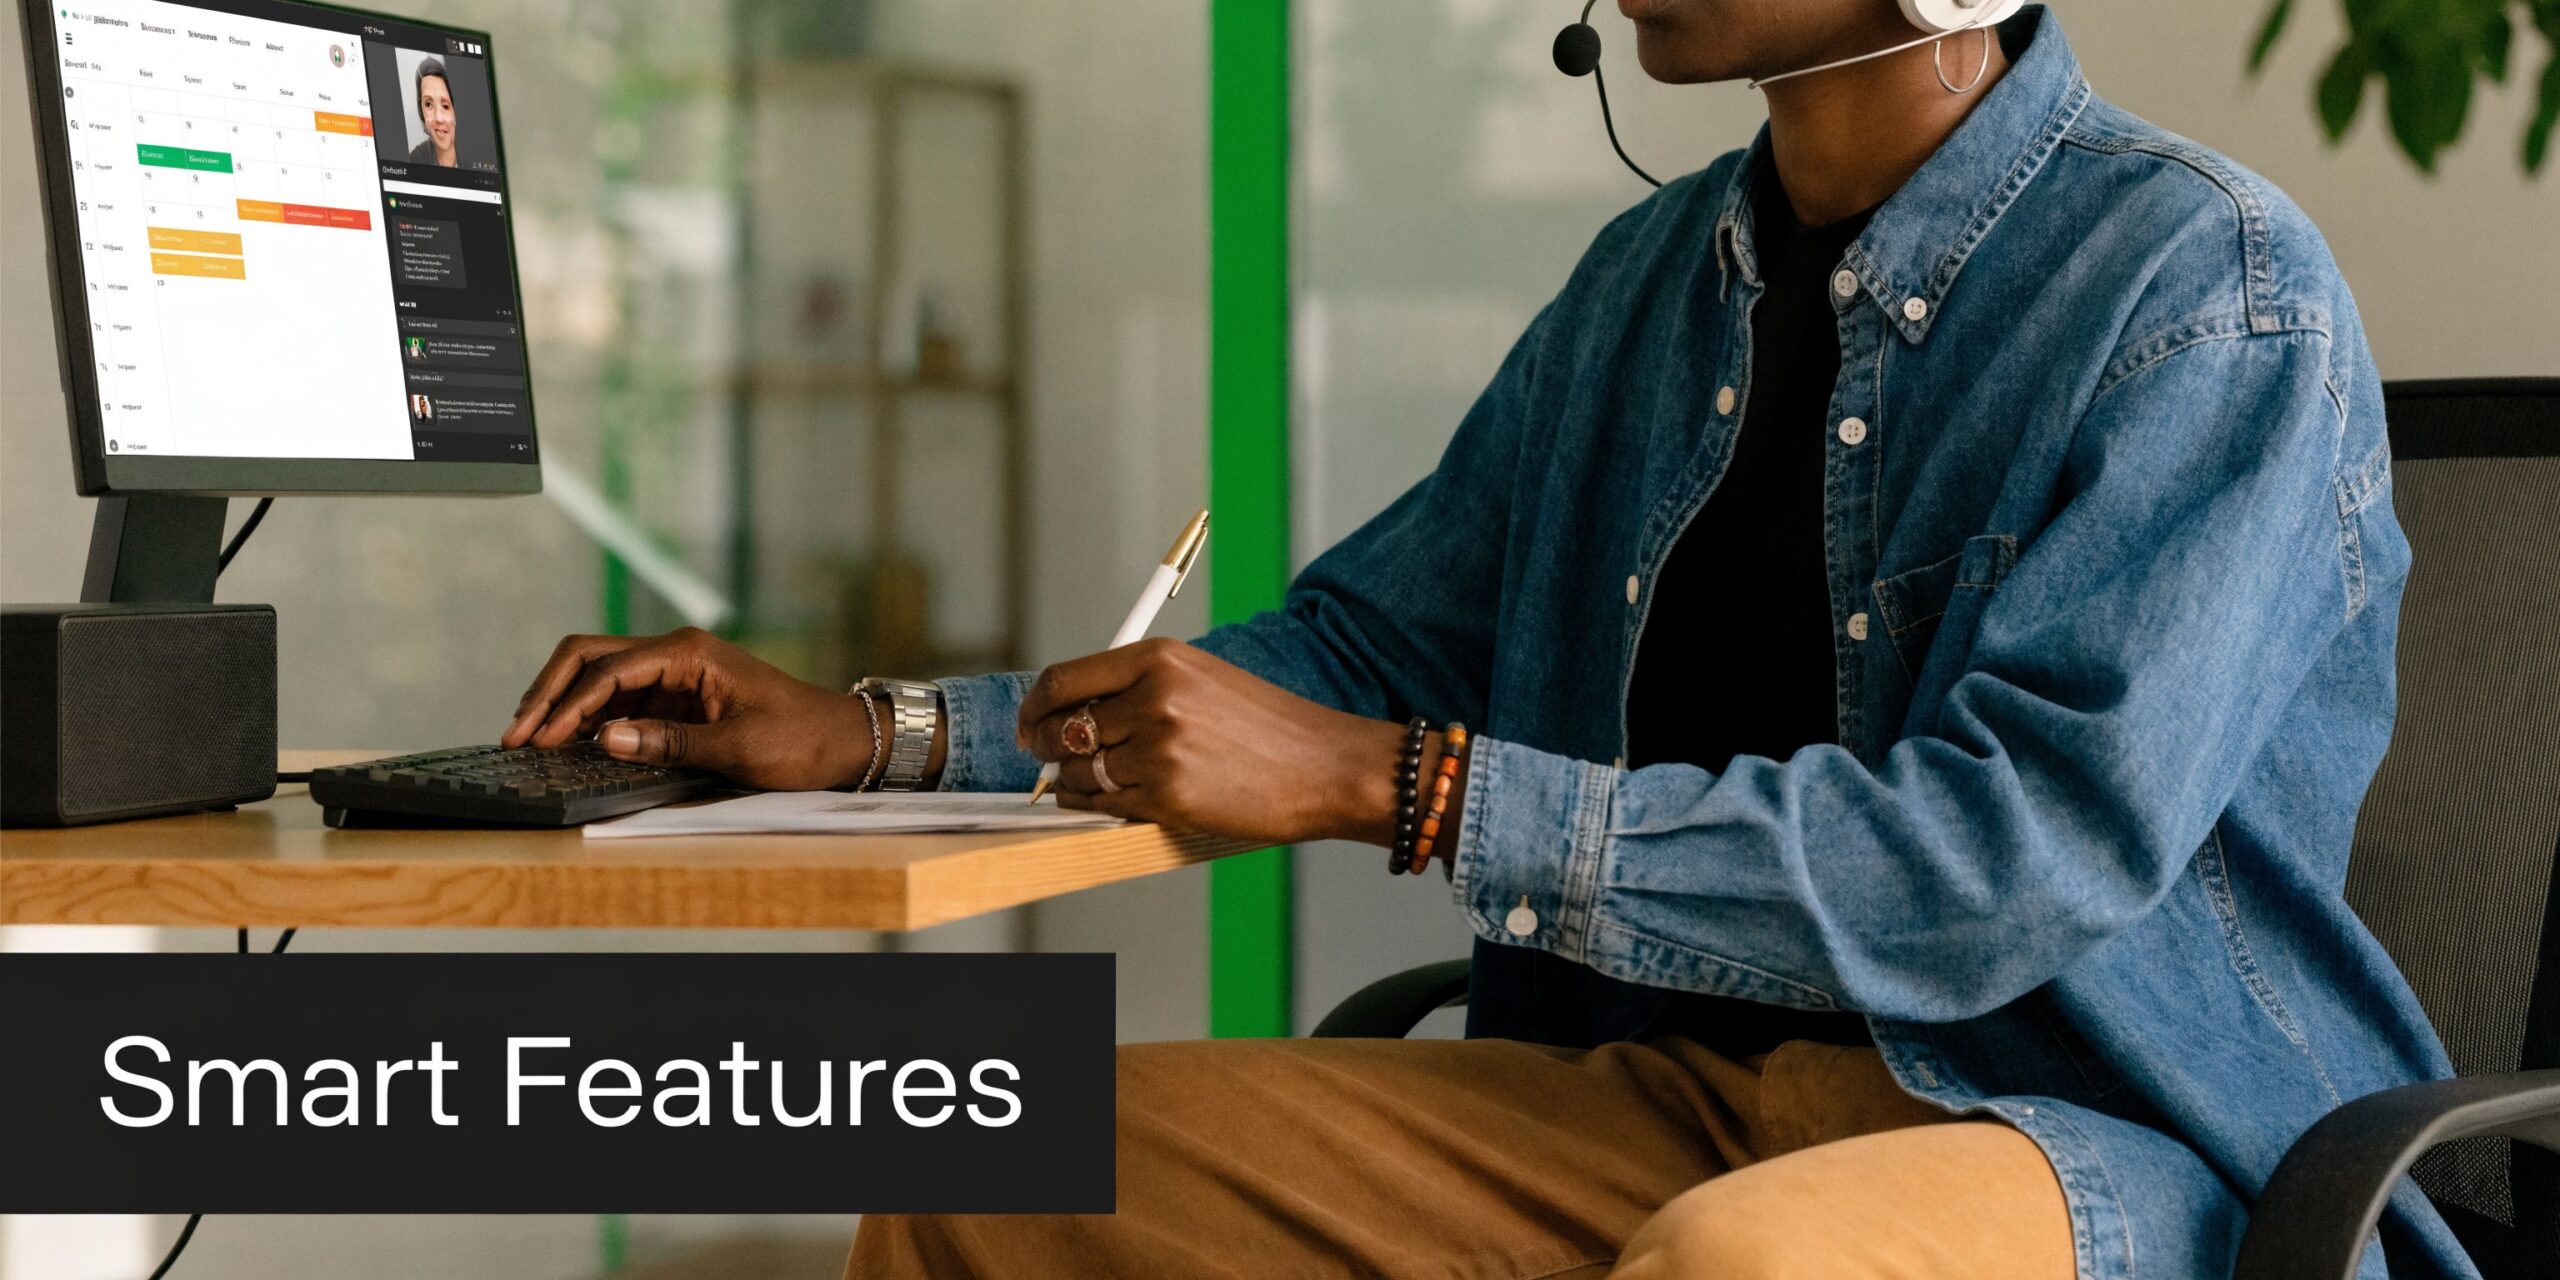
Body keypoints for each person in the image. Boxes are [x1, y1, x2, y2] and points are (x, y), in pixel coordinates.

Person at [501, 5, 2470, 1277]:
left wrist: (1405, 794)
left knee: (1746, 1267)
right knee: (989, 1169)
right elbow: (1362, 648)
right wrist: (887, 734)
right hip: (1662, 1109)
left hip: (2104, 1146)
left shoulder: (2200, 291)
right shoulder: (1645, 284)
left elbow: (2003, 862)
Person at [406, 56, 461, 169]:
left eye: (445, 106)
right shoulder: (414, 161)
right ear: (422, 113)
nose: (438, 118)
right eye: (428, 105)